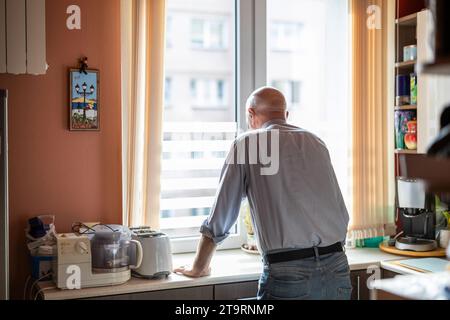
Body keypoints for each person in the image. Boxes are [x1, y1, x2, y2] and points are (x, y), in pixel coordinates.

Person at [175, 87, 351, 300]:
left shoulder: (247, 143)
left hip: (289, 271)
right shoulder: (316, 142)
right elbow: (336, 209)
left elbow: (221, 216)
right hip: (338, 267)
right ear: (286, 115)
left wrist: (199, 266)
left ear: (251, 114)